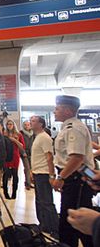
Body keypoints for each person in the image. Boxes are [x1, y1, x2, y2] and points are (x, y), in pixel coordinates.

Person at [52, 95, 94, 247]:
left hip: (76, 179)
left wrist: (61, 177)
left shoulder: (74, 128)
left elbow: (77, 158)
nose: (54, 111)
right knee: (74, 221)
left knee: (73, 221)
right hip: (75, 177)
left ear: (68, 110)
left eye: (57, 108)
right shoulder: (68, 127)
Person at [30, 115, 59, 239]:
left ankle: (55, 229)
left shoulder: (45, 138)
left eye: (33, 121)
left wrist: (51, 175)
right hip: (37, 172)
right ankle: (44, 225)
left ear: (41, 124)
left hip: (44, 173)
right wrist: (32, 171)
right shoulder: (37, 137)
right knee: (39, 201)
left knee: (46, 202)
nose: (30, 122)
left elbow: (49, 157)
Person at [3, 120, 25, 199]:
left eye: (11, 124)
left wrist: (15, 140)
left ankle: (14, 193)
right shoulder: (4, 134)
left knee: (15, 175)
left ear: (13, 125)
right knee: (6, 175)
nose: (9, 125)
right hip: (6, 156)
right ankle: (6, 193)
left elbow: (22, 146)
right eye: (8, 124)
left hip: (15, 156)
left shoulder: (19, 134)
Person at [21, 120, 34, 189]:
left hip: (32, 153)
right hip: (24, 153)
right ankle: (28, 183)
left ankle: (30, 182)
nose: (27, 126)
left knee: (32, 168)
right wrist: (23, 152)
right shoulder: (21, 133)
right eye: (25, 125)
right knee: (27, 168)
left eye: (28, 125)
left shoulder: (33, 133)